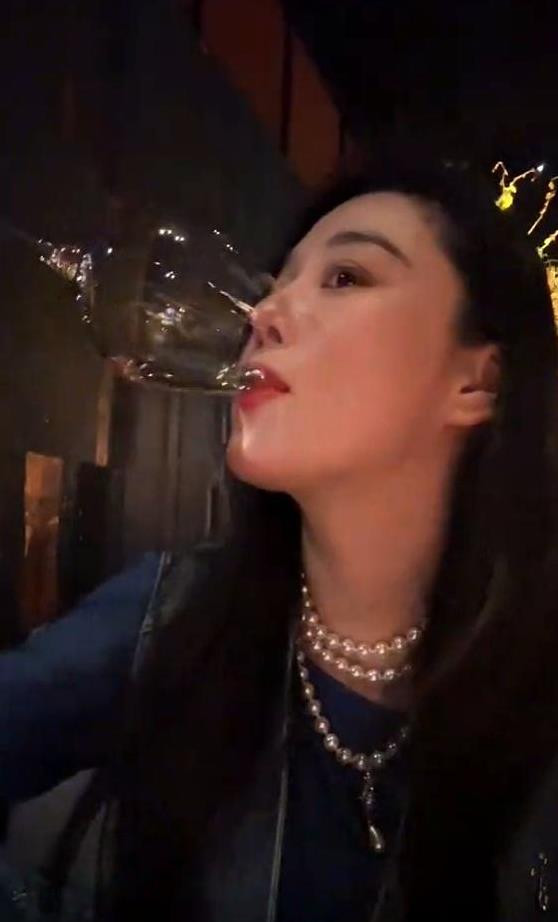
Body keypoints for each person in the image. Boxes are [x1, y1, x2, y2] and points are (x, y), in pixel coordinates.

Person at [1, 154, 558, 922]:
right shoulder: (168, 618)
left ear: (478, 381)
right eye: (276, 283)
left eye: (345, 278)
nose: (260, 315)